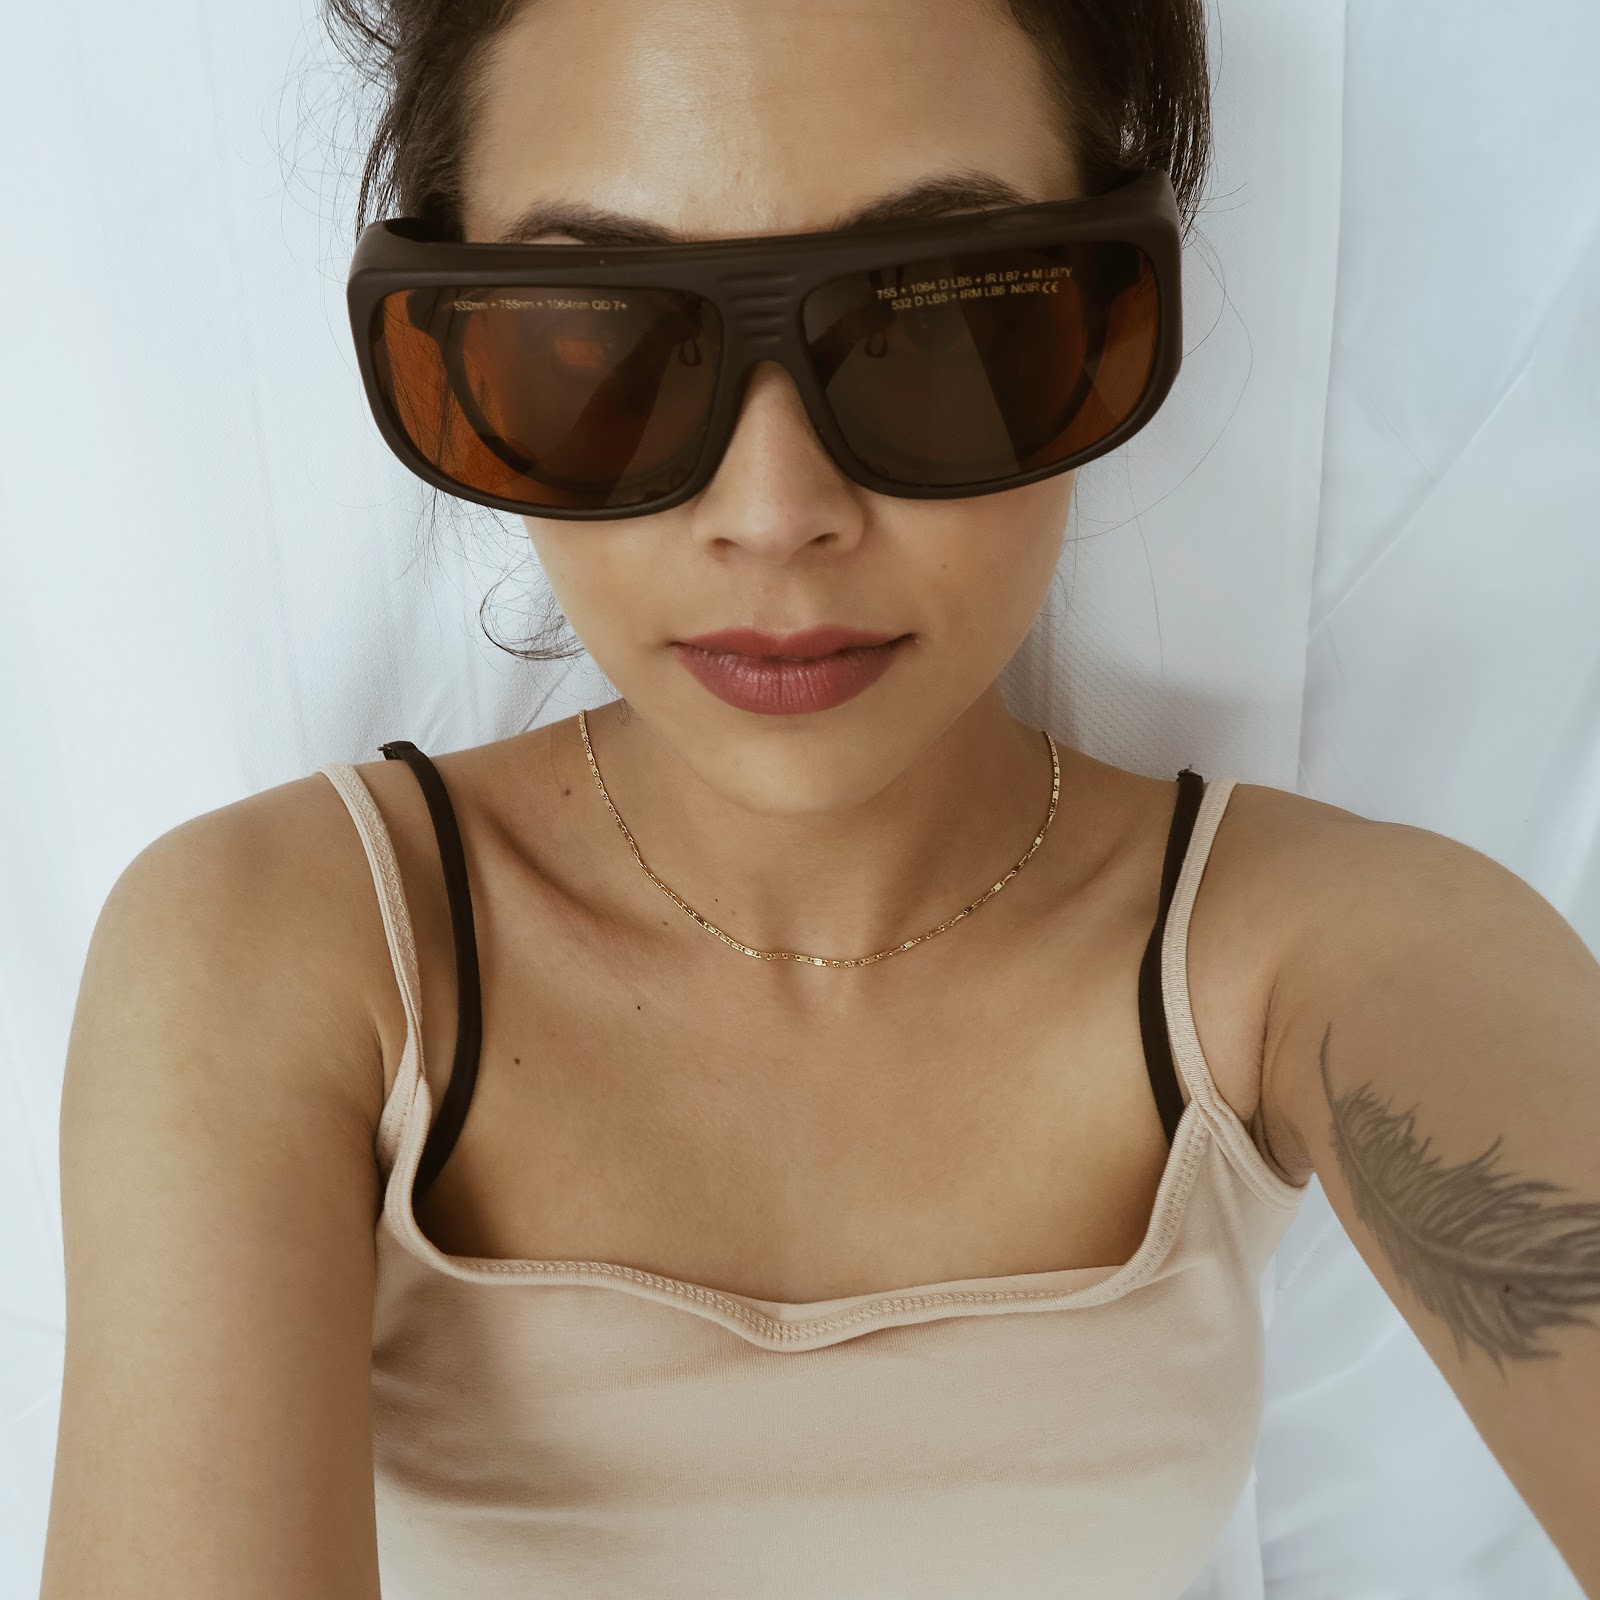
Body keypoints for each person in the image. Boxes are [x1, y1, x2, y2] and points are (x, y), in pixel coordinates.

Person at [42, 2, 1338, 1595]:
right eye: (599, 344)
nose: (774, 514)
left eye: (932, 322)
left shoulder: (1298, 952)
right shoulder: (280, 949)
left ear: (1110, 315)